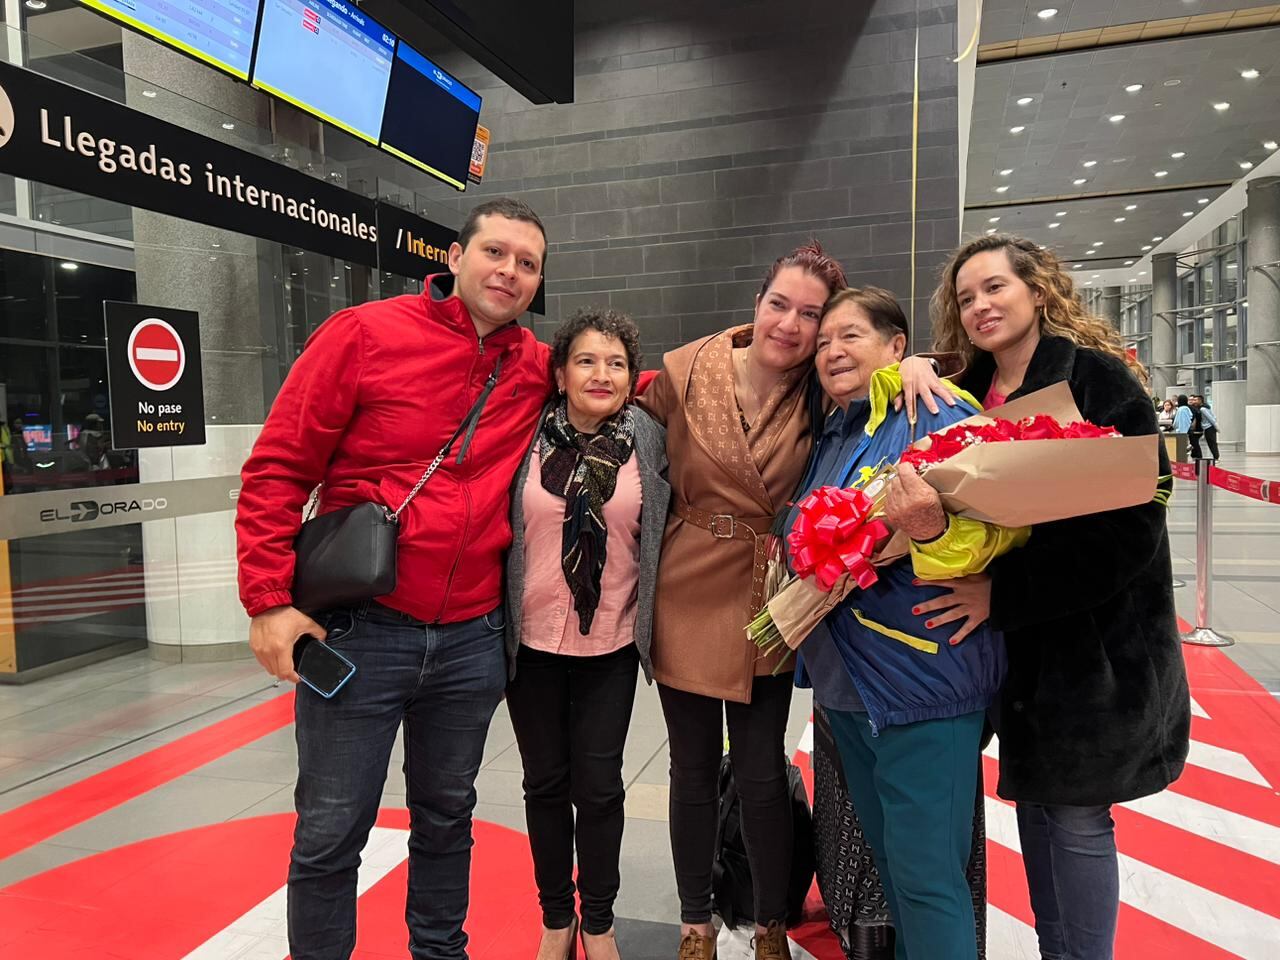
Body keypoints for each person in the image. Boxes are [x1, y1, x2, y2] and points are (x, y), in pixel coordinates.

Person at [236, 197, 552, 960]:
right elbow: (279, 468)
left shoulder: (537, 365)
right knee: (332, 827)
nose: (509, 271)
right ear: (454, 256)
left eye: (528, 263)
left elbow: (635, 380)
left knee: (448, 818)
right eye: (496, 252)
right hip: (360, 634)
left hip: (474, 639)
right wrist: (269, 602)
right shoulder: (365, 334)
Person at [900, 234, 1190, 960]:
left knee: (1078, 815)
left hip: (1092, 645)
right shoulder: (965, 391)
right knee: (1038, 805)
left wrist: (1003, 595)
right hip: (1013, 653)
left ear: (1037, 290)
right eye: (965, 298)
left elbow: (1132, 526)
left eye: (994, 288)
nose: (979, 306)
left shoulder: (1098, 382)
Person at [788, 287, 1026, 960]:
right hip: (851, 690)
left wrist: (944, 547)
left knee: (926, 881)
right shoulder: (841, 429)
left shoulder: (933, 411)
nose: (832, 350)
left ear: (896, 347)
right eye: (824, 339)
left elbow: (999, 525)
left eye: (851, 336)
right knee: (897, 872)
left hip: (923, 682)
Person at [636, 241, 848, 960]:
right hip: (686, 581)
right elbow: (630, 437)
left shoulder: (822, 387)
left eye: (810, 314)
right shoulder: (682, 369)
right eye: (779, 303)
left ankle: (769, 924)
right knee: (691, 769)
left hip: (769, 593)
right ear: (756, 303)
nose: (789, 324)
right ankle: (696, 922)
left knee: (761, 772)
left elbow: (889, 377)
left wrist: (912, 363)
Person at [504, 308, 670, 960]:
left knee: (598, 786)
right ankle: (556, 918)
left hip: (611, 641)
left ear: (633, 375)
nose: (602, 374)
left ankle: (597, 922)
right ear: (559, 372)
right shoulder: (526, 437)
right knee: (543, 783)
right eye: (587, 361)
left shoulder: (650, 437)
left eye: (617, 363)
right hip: (532, 642)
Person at [1172, 394, 1203, 459]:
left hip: (1182, 432)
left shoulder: (1181, 409)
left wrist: (1176, 427)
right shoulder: (1187, 408)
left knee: (1182, 448)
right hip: (1188, 430)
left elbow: (1179, 421)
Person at [1190, 394, 1219, 460]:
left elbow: (1211, 418)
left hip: (1209, 427)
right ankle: (1216, 457)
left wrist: (1216, 426)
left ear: (1200, 401)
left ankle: (1216, 457)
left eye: (1195, 400)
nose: (1194, 401)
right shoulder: (1204, 407)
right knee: (1211, 443)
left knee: (1212, 443)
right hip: (1207, 427)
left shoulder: (1203, 409)